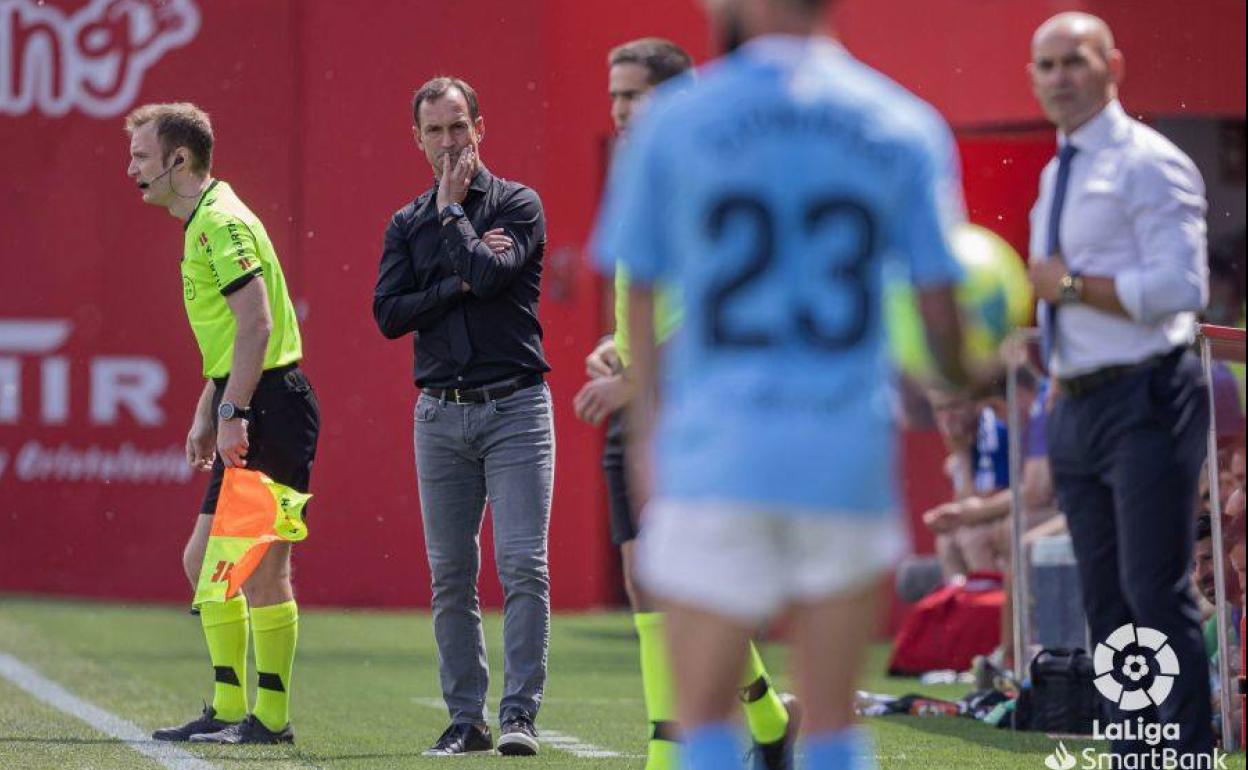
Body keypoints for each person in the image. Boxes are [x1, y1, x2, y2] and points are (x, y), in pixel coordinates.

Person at [592, 0, 971, 767]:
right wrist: (975, 373)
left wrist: (648, 445)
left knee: (701, 725)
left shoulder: (674, 129)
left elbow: (636, 298)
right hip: (843, 454)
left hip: (715, 453)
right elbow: (941, 316)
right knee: (832, 725)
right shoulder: (903, 124)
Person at [573, 37, 795, 770]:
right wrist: (618, 345)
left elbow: (712, 309)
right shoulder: (643, 173)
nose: (621, 109)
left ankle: (672, 750)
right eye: (614, 96)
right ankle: (767, 720)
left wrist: (637, 379)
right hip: (643, 401)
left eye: (633, 94)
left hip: (692, 408)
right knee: (651, 580)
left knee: (686, 578)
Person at [1026, 12, 1214, 761]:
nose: (1059, 78)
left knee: (1154, 593)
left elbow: (1183, 285)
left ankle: (1184, 754)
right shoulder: (1055, 169)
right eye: (1045, 65)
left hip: (1148, 396)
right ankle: (1139, 750)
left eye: (1074, 61)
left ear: (1114, 66)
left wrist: (1069, 288)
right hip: (1078, 402)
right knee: (1104, 603)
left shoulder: (1148, 161)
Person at [126, 102, 319, 745]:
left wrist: (233, 410)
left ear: (180, 160)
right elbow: (233, 337)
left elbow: (258, 323)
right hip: (252, 401)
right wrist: (210, 407)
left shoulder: (220, 221)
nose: (134, 172)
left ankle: (268, 719)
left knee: (263, 572)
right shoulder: (207, 219)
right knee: (203, 560)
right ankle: (231, 708)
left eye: (143, 158)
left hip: (273, 406)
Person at [372, 76, 553, 757]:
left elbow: (490, 271)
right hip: (440, 416)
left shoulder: (517, 204)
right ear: (416, 139)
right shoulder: (404, 222)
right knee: (450, 573)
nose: (449, 143)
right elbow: (388, 313)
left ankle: (519, 715)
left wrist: (452, 218)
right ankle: (465, 719)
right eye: (435, 132)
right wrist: (454, 284)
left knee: (522, 564)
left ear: (480, 127)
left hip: (513, 409)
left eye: (458, 128)